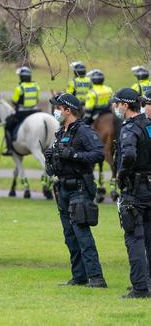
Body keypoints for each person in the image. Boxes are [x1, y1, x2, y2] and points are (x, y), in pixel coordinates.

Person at [45, 93, 107, 289]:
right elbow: (58, 161)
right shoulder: (61, 132)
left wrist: (74, 154)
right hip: (62, 188)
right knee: (69, 234)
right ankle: (79, 276)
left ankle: (96, 277)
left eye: (58, 108)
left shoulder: (84, 132)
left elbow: (98, 154)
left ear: (67, 110)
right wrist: (51, 157)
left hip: (79, 188)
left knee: (82, 232)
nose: (55, 111)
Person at [111, 88, 151, 298]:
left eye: (117, 103)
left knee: (134, 237)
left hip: (135, 190)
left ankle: (140, 288)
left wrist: (122, 175)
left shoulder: (130, 129)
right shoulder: (149, 126)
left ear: (125, 106)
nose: (116, 107)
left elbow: (127, 155)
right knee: (149, 238)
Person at [3, 66, 40, 156]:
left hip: (23, 112)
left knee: (7, 126)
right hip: (35, 111)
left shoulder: (20, 88)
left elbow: (14, 101)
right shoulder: (36, 86)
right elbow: (37, 99)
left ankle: (9, 149)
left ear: (21, 77)